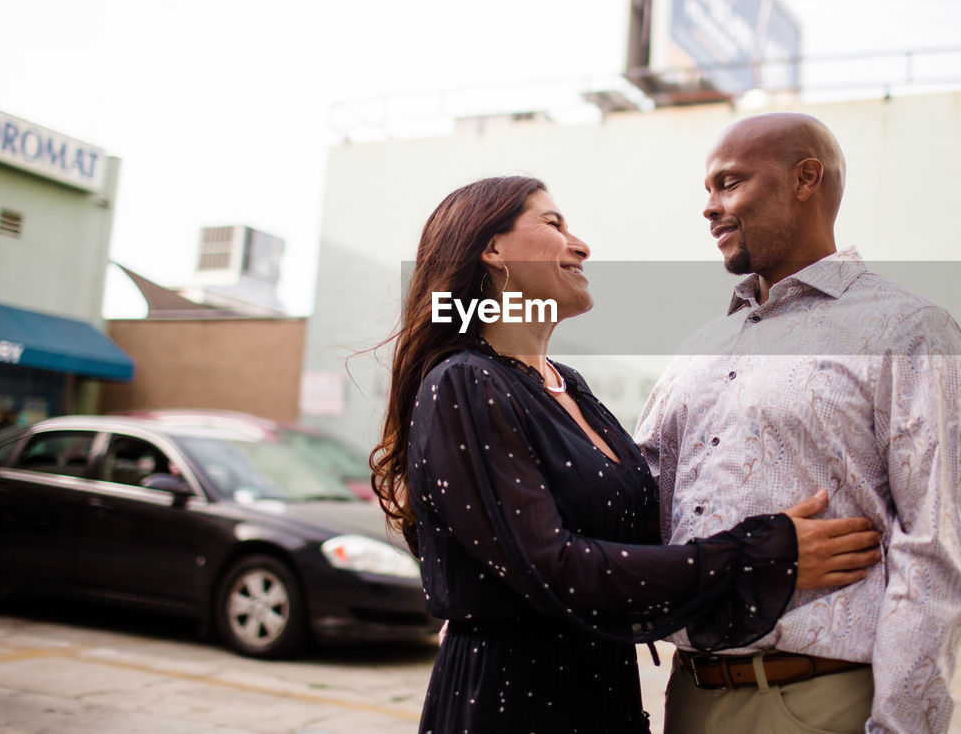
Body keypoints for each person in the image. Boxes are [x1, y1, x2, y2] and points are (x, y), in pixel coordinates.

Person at [371, 175, 884, 734]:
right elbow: (553, 566)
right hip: (514, 703)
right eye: (552, 224)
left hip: (601, 696)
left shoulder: (569, 386)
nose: (581, 245)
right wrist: (760, 555)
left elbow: (641, 537)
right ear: (493, 251)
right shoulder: (465, 383)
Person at [635, 113, 961, 734]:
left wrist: (903, 726)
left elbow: (933, 552)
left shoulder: (908, 329)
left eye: (729, 183)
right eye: (708, 191)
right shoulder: (700, 346)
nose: (710, 208)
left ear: (805, 179)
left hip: (814, 702)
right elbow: (639, 504)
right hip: (688, 698)